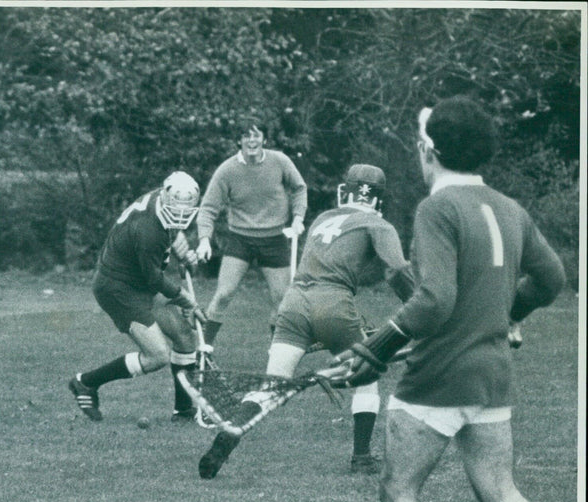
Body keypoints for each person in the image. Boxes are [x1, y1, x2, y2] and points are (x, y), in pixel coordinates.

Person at [328, 96, 577, 502]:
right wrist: (508, 313)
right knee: (503, 492)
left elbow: (435, 299)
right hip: (491, 376)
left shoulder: (437, 207)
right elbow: (553, 279)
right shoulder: (509, 207)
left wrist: (375, 348)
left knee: (400, 489)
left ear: (428, 151)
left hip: (438, 377)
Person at [198, 164, 414, 479]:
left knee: (272, 386)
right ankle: (362, 458)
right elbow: (395, 270)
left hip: (294, 302)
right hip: (334, 303)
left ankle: (230, 434)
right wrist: (419, 306)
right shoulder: (378, 224)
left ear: (346, 190)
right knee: (366, 383)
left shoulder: (324, 219)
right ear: (379, 198)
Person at [68, 171, 208, 423]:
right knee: (157, 356)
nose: (179, 216)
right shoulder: (147, 230)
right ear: (166, 198)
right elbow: (154, 279)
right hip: (118, 288)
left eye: (185, 212)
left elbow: (172, 231)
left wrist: (183, 252)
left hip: (139, 282)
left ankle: (184, 412)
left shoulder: (160, 197)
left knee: (185, 337)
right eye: (176, 210)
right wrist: (185, 299)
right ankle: (86, 383)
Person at [196, 116, 307, 344]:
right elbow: (208, 208)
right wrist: (204, 239)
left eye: (256, 135)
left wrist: (298, 218)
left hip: (275, 239)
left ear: (264, 138)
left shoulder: (280, 161)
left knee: (282, 299)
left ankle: (276, 350)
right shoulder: (227, 170)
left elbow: (299, 188)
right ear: (239, 140)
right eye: (246, 135)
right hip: (240, 240)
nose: (252, 140)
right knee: (224, 293)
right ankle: (202, 348)